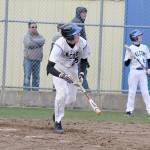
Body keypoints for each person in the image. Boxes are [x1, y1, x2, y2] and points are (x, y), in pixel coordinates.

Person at [46, 23, 91, 133]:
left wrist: (81, 74)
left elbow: (84, 61)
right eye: (76, 33)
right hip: (59, 69)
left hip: (73, 70)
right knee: (62, 94)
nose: (79, 34)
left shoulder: (83, 42)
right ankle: (58, 122)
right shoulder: (59, 44)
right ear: (70, 37)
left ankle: (57, 110)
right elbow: (49, 67)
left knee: (71, 99)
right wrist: (62, 76)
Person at [124, 29, 150, 116]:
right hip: (133, 72)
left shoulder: (144, 47)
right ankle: (129, 111)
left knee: (145, 92)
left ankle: (149, 110)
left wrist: (149, 68)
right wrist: (130, 56)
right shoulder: (130, 49)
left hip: (143, 72)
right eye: (139, 36)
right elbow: (126, 64)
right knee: (132, 92)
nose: (140, 37)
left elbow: (148, 59)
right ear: (134, 38)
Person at [71, 6, 90, 90]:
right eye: (83, 12)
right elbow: (78, 39)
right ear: (79, 13)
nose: (85, 14)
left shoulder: (79, 21)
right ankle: (88, 92)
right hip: (78, 52)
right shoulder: (77, 22)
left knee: (80, 73)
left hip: (80, 51)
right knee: (82, 73)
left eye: (85, 12)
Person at [23, 21, 45, 91]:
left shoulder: (40, 36)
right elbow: (29, 44)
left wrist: (33, 41)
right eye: (32, 27)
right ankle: (26, 94)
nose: (34, 28)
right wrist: (38, 43)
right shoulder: (27, 36)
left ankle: (35, 94)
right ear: (29, 28)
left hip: (37, 60)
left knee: (36, 78)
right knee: (27, 77)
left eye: (36, 27)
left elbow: (43, 41)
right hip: (28, 60)